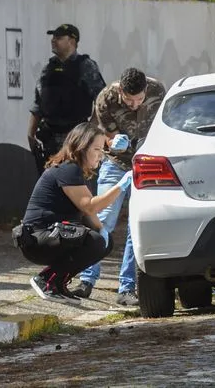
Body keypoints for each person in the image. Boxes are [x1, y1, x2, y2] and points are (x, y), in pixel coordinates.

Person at [71, 68, 167, 306]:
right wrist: (114, 142)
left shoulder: (158, 91)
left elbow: (163, 125)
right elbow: (106, 136)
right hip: (116, 163)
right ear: (120, 91)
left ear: (146, 90)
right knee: (101, 220)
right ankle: (86, 279)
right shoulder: (106, 98)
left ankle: (127, 287)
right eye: (129, 99)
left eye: (139, 99)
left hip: (146, 162)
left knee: (136, 225)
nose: (134, 105)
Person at [14, 123, 132, 301]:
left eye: (103, 149)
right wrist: (121, 186)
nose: (101, 155)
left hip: (49, 235)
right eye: (97, 149)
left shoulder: (76, 171)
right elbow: (90, 206)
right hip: (37, 239)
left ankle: (58, 283)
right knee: (95, 242)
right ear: (82, 147)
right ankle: (46, 279)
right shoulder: (68, 168)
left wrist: (103, 234)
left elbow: (88, 215)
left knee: (103, 242)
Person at [27, 24, 105, 174]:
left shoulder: (86, 66)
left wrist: (89, 129)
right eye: (53, 37)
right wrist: (30, 133)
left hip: (75, 136)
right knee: (50, 180)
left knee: (73, 178)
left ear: (72, 41)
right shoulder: (48, 68)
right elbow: (38, 103)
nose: (53, 40)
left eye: (59, 37)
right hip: (49, 137)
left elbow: (101, 100)